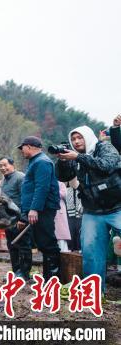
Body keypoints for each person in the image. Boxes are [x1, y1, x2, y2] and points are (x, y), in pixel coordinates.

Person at [55, 125, 121, 294]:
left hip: (117, 207)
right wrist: (63, 161)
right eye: (74, 139)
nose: (76, 142)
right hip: (92, 211)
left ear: (88, 136)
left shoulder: (104, 147)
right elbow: (64, 177)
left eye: (80, 138)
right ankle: (94, 293)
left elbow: (107, 165)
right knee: (91, 253)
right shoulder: (75, 157)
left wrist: (78, 157)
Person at [18, 136, 61, 281]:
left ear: (29, 146)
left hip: (43, 209)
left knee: (47, 243)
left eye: (22, 148)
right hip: (39, 208)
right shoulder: (35, 162)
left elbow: (42, 187)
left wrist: (34, 208)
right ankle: (49, 278)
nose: (21, 151)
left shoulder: (42, 162)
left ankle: (53, 280)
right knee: (43, 243)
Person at [0, 156, 32, 279]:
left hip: (20, 218)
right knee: (12, 246)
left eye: (5, 165)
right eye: (0, 166)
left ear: (12, 164)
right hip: (8, 219)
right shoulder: (3, 181)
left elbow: (26, 198)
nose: (2, 168)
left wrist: (23, 218)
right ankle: (16, 271)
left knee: (23, 245)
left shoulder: (20, 177)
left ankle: (24, 273)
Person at [65, 178, 84, 252]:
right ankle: (70, 248)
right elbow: (65, 184)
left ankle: (79, 248)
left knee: (79, 228)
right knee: (70, 228)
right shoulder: (67, 173)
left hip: (80, 207)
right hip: (69, 207)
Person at [54, 181, 71, 252]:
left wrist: (53, 192)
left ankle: (64, 253)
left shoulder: (60, 184)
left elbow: (64, 194)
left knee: (61, 235)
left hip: (59, 210)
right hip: (51, 211)